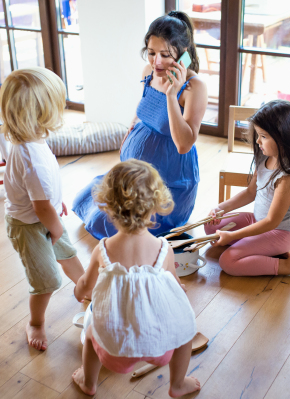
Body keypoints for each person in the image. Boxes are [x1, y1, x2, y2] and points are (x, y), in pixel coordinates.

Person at [72, 10, 208, 239]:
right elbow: (144, 108)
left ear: (183, 54)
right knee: (83, 200)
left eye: (165, 55)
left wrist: (172, 95)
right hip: (135, 175)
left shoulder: (195, 87)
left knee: (105, 221)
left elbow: (184, 144)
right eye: (151, 53)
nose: (156, 62)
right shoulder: (149, 72)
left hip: (167, 185)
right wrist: (130, 132)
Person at [72, 160, 201, 398]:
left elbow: (84, 287)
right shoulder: (164, 248)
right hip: (161, 347)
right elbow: (176, 287)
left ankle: (88, 382)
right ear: (155, 207)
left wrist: (79, 292)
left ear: (107, 207)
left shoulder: (103, 250)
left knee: (90, 334)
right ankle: (178, 384)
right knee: (185, 334)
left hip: (114, 352)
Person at [0, 67, 85, 351]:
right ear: (40, 113)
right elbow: (39, 206)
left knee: (68, 255)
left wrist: (54, 203)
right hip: (29, 226)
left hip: (44, 216)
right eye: (57, 104)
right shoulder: (31, 157)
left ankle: (90, 295)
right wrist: (56, 226)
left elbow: (40, 193)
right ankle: (35, 322)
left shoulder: (33, 141)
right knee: (47, 279)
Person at [205, 100, 290, 281]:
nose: (257, 141)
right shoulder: (265, 157)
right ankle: (259, 248)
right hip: (258, 221)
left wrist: (233, 235)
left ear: (283, 137)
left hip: (280, 233)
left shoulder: (287, 177)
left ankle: (289, 265)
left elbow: (271, 222)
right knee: (210, 225)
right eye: (257, 134)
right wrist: (220, 208)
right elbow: (250, 193)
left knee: (228, 261)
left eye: (263, 136)